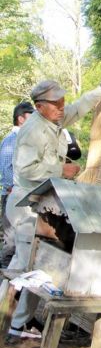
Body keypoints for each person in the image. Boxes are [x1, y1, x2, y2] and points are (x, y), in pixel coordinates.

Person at [5, 76, 101, 340]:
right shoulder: (32, 131)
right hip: (27, 205)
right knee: (29, 266)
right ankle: (13, 324)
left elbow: (78, 108)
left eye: (61, 101)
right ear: (39, 106)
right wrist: (61, 169)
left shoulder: (53, 119)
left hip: (43, 203)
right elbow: (25, 169)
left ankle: (16, 323)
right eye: (56, 103)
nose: (61, 106)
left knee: (29, 264)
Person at [0, 102, 35, 266]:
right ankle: (3, 285)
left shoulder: (27, 140)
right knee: (11, 243)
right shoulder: (11, 140)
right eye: (31, 115)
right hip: (12, 196)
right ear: (21, 119)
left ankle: (16, 288)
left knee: (25, 241)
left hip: (26, 197)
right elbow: (7, 169)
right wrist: (14, 188)